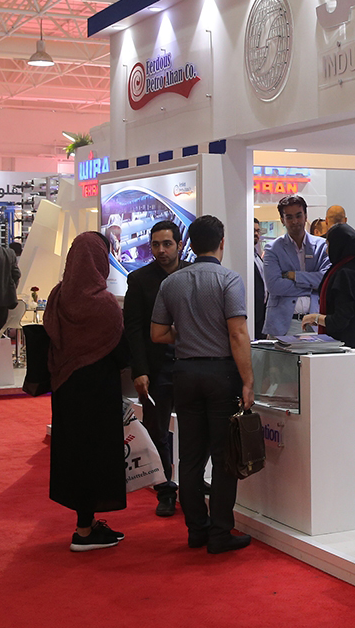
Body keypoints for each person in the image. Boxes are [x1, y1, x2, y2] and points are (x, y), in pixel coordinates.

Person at [151, 215, 254, 554]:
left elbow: (158, 333)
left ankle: (196, 529)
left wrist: (187, 334)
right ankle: (220, 531)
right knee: (224, 457)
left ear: (190, 245)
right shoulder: (229, 279)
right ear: (221, 242)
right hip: (221, 373)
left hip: (184, 373)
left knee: (190, 457)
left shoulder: (171, 283)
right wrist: (248, 381)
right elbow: (237, 333)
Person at [46, 231, 129, 552]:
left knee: (74, 455)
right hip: (98, 393)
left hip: (66, 389)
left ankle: (86, 522)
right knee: (97, 457)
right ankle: (84, 531)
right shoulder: (104, 304)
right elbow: (121, 353)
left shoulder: (58, 297)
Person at [123, 220, 187, 518]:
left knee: (194, 429)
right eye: (156, 245)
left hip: (189, 364)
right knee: (157, 431)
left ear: (179, 245)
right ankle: (165, 490)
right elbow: (133, 329)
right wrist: (139, 369)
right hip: (156, 367)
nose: (161, 250)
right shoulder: (139, 279)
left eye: (167, 244)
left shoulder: (192, 274)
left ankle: (191, 484)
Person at [301, 223, 355, 352]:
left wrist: (315, 318)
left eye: (328, 245)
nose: (327, 251)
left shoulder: (345, 274)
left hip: (346, 348)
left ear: (338, 245)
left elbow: (340, 320)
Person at [263, 195, 330, 336]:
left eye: (298, 216)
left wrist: (294, 276)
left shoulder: (322, 246)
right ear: (282, 220)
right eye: (289, 217)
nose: (295, 221)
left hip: (315, 323)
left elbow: (325, 280)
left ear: (306, 216)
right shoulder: (272, 249)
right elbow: (274, 286)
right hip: (282, 325)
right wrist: (311, 287)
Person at [253, 217, 266, 338]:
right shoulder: (245, 258)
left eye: (258, 231)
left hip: (262, 313)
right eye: (253, 231)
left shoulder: (257, 257)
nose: (256, 234)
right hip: (253, 314)